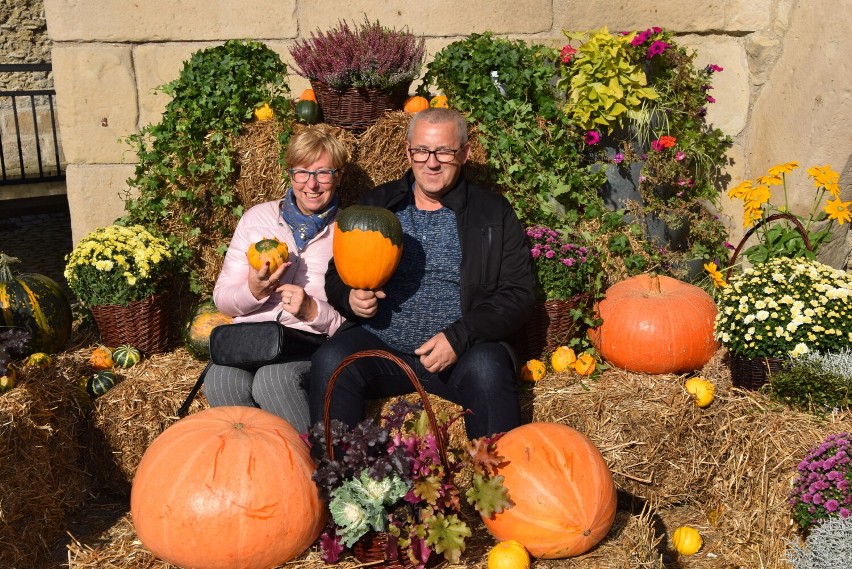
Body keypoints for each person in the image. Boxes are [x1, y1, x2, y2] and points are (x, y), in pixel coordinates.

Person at [309, 108, 535, 440]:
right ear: (408, 151)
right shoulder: (380, 204)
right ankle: (340, 484)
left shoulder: (492, 212)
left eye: (444, 151)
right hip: (383, 348)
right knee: (331, 361)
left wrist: (460, 337)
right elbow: (335, 275)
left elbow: (519, 294)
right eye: (422, 151)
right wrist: (350, 298)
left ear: (465, 153)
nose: (432, 162)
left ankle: (495, 487)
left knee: (489, 369)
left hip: (462, 355)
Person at [206, 126, 347, 432]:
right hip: (252, 340)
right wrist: (253, 290)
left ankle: (311, 469)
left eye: (323, 173)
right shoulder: (257, 219)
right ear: (290, 174)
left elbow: (356, 322)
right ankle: (250, 473)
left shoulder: (348, 231)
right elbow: (222, 299)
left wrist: (312, 310)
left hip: (308, 344)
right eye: (302, 172)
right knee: (220, 379)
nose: (311, 184)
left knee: (274, 381)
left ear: (338, 176)